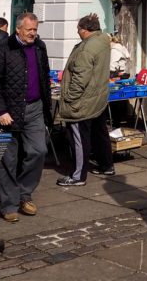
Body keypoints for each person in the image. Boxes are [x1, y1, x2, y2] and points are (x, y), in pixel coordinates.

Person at [0, 12, 53, 222]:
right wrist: (0, 110)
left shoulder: (39, 46)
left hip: (34, 108)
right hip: (8, 111)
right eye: (29, 30)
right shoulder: (3, 48)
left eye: (35, 30)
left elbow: (44, 74)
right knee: (8, 159)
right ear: (18, 29)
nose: (33, 34)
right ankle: (9, 205)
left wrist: (47, 104)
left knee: (39, 150)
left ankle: (24, 193)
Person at [57, 13, 114, 186]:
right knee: (100, 133)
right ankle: (106, 165)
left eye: (78, 29)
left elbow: (80, 78)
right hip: (98, 97)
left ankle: (77, 176)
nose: (77, 32)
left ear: (85, 30)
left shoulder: (86, 48)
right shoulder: (103, 42)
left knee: (79, 138)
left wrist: (69, 98)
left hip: (83, 100)